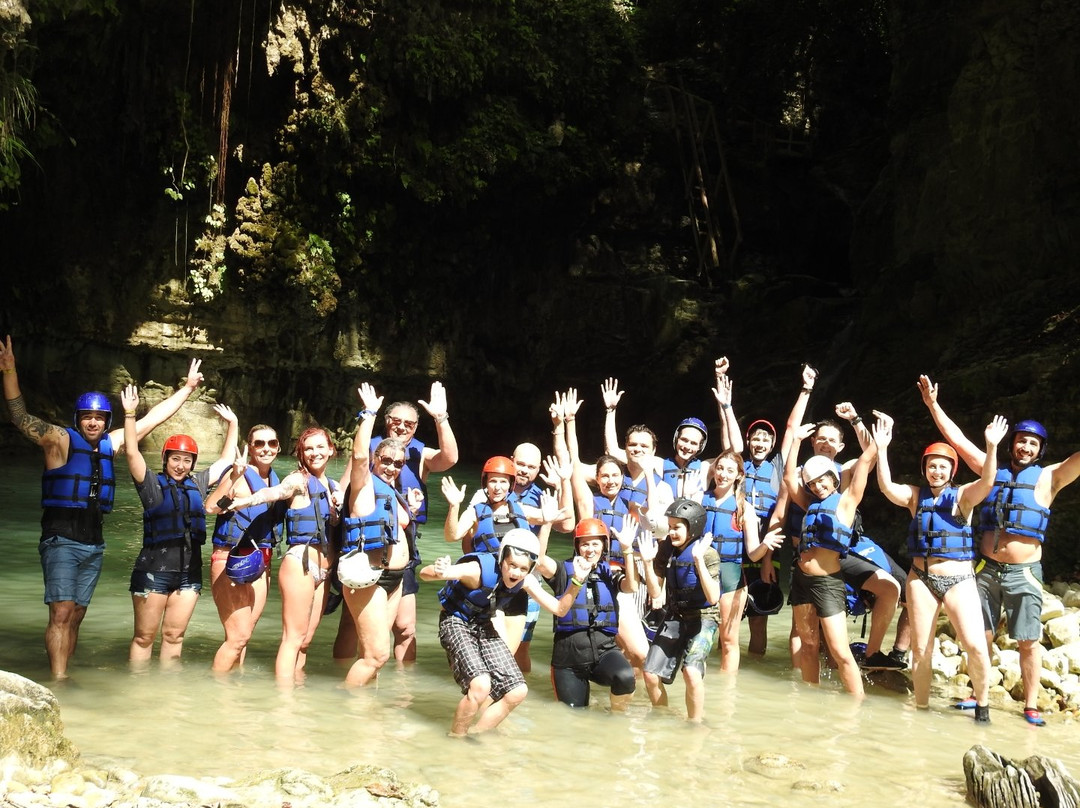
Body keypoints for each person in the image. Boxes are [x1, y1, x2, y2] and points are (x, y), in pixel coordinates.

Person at [0, 335, 204, 678]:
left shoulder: (111, 444)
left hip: (93, 543)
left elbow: (152, 419)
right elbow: (20, 417)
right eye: (87, 417)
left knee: (76, 614)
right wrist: (9, 371)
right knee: (62, 613)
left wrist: (187, 388)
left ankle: (63, 674)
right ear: (79, 419)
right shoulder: (59, 440)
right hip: (60, 537)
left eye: (99, 418)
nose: (93, 423)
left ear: (106, 421)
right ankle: (60, 680)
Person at [918, 374, 1080, 726]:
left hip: (1025, 572)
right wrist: (933, 404)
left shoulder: (1050, 477)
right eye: (1021, 442)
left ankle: (1031, 705)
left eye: (1032, 445)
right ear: (1011, 444)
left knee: (1027, 641)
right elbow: (956, 440)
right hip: (986, 569)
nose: (1025, 448)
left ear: (1040, 450)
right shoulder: (990, 472)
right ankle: (979, 694)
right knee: (981, 637)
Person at [873, 411, 1007, 722]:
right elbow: (886, 487)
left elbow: (988, 481)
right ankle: (921, 709)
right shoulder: (915, 497)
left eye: (942, 466)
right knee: (921, 650)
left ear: (951, 471)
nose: (936, 470)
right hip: (921, 579)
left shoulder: (963, 496)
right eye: (931, 466)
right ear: (925, 469)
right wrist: (881, 450)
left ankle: (983, 709)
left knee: (974, 645)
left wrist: (991, 447)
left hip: (960, 578)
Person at [419, 529, 590, 736]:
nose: (516, 573)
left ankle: (474, 734)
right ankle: (456, 737)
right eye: (512, 565)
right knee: (481, 685)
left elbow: (559, 609)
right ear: (502, 559)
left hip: (482, 624)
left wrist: (577, 582)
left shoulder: (526, 581)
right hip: (455, 621)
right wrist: (440, 571)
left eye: (523, 568)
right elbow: (424, 574)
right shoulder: (478, 570)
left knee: (518, 691)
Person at [120, 385, 238, 666]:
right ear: (166, 460)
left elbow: (226, 460)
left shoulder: (196, 484)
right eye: (175, 459)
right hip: (153, 572)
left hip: (189, 574)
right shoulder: (151, 486)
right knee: (144, 637)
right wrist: (129, 415)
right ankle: (138, 692)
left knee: (175, 636)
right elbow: (132, 452)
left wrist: (233, 424)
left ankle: (167, 696)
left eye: (187, 460)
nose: (181, 465)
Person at [229, 425, 341, 682]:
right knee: (293, 638)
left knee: (306, 640)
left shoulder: (334, 486)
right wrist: (247, 500)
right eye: (308, 448)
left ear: (331, 449)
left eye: (320, 447)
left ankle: (296, 688)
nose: (314, 453)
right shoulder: (298, 480)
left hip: (324, 571)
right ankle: (283, 701)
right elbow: (275, 492)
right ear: (301, 453)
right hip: (300, 564)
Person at [783, 421, 878, 696]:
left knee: (839, 650)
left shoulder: (847, 502)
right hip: (801, 581)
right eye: (812, 483)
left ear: (833, 479)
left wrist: (877, 439)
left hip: (827, 583)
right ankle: (811, 695)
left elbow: (865, 462)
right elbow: (790, 477)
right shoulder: (809, 503)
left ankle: (857, 704)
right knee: (809, 644)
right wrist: (796, 441)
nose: (818, 486)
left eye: (822, 480)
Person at [340, 383, 424, 686]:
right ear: (377, 460)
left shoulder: (394, 493)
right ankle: (345, 704)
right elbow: (360, 455)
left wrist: (411, 510)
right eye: (386, 461)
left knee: (374, 654)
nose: (391, 467)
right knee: (376, 656)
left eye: (398, 463)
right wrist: (370, 414)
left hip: (394, 579)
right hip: (369, 576)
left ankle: (364, 716)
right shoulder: (364, 485)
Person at [373, 384, 458, 664]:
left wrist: (441, 417)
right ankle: (361, 685)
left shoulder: (420, 455)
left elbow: (450, 458)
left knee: (406, 627)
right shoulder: (369, 451)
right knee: (364, 626)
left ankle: (401, 691)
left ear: (415, 427)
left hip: (406, 545)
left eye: (408, 423)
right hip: (370, 544)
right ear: (386, 423)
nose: (401, 427)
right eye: (395, 421)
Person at [204, 423, 285, 673]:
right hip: (231, 559)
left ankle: (233, 695)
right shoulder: (237, 473)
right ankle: (219, 694)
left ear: (279, 447)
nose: (266, 448)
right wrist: (235, 476)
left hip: (262, 561)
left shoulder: (275, 480)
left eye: (272, 443)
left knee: (244, 636)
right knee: (237, 638)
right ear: (250, 447)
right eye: (259, 443)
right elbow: (210, 507)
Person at [535, 517, 638, 710]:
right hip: (568, 658)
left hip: (604, 651)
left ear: (603, 546)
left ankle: (616, 718)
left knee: (625, 677)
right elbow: (539, 561)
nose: (590, 550)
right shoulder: (562, 571)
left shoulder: (610, 571)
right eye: (584, 544)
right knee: (575, 714)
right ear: (577, 546)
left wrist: (627, 549)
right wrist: (547, 523)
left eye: (595, 544)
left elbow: (631, 586)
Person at [637, 498, 722, 722]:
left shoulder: (708, 553)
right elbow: (656, 594)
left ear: (692, 527)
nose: (671, 532)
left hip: (704, 617)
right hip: (676, 615)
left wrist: (697, 560)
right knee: (650, 674)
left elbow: (713, 597)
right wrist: (647, 563)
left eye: (677, 527)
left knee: (692, 673)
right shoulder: (666, 550)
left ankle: (695, 724)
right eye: (670, 526)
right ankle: (662, 717)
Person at [699, 449, 784, 673]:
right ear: (713, 470)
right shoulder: (699, 500)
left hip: (731, 577)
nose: (723, 474)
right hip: (701, 572)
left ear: (738, 475)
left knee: (728, 640)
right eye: (719, 468)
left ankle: (727, 696)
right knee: (696, 637)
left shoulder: (745, 509)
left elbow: (753, 553)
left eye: (729, 470)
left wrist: (766, 544)